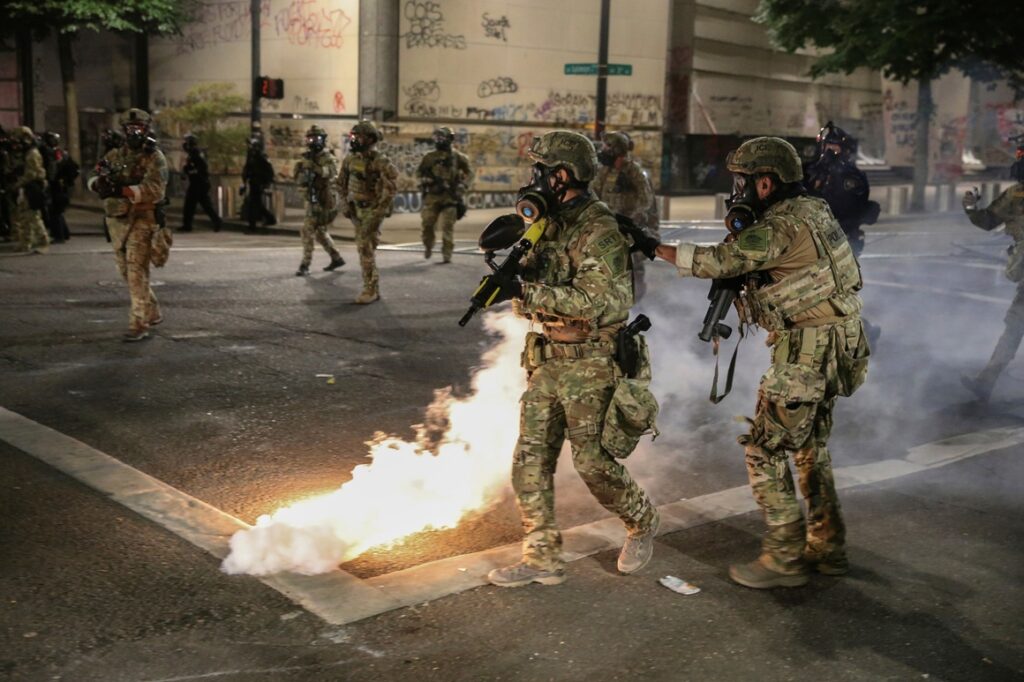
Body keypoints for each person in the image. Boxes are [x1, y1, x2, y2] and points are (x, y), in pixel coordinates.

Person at [654, 137, 869, 589]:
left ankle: (785, 556)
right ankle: (828, 547)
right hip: (840, 344)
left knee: (764, 448)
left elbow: (719, 261)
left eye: (742, 181)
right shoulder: (813, 209)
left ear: (766, 183)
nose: (738, 189)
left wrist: (651, 245)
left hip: (806, 351)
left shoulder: (779, 228)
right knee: (810, 448)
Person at [485, 131, 660, 588]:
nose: (533, 178)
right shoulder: (550, 222)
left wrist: (526, 289)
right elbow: (535, 294)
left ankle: (642, 522)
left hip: (592, 361)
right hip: (549, 360)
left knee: (594, 464)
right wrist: (509, 272)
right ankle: (541, 556)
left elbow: (595, 300)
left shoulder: (599, 228)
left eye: (540, 170)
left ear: (561, 175)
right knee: (530, 459)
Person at [86, 108, 169, 342]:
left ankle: (138, 322)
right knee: (126, 271)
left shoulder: (155, 157)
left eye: (139, 128)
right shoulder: (115, 155)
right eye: (129, 128)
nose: (134, 132)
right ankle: (151, 310)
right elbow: (94, 173)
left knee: (135, 271)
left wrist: (121, 190)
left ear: (146, 129)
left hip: (143, 218)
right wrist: (97, 184)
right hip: (117, 221)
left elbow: (155, 190)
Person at [960, 143, 1024, 402]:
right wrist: (971, 208)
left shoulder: (1016, 194)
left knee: (1014, 328)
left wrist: (971, 208)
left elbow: (987, 220)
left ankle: (986, 382)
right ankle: (986, 381)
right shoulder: (1015, 195)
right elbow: (988, 220)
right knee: (1014, 327)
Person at [336, 120, 398, 304]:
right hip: (356, 210)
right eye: (352, 136)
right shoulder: (350, 160)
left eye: (358, 137)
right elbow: (340, 184)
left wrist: (379, 211)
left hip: (372, 209)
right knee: (367, 247)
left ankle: (370, 289)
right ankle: (373, 288)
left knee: (364, 247)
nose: (353, 140)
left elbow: (391, 186)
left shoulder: (380, 161)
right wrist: (344, 205)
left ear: (369, 139)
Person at [592, 131, 656, 299]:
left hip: (629, 229)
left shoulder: (634, 171)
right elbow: (595, 194)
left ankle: (636, 303)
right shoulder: (604, 170)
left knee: (633, 269)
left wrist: (629, 214)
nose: (603, 150)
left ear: (617, 149)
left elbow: (646, 201)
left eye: (608, 146)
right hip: (608, 227)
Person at [803, 121, 878, 257]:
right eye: (828, 147)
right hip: (812, 230)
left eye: (835, 148)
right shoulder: (810, 170)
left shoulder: (852, 175)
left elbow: (853, 204)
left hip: (841, 230)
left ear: (844, 150)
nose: (830, 152)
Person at [292, 125, 345, 278]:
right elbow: (298, 178)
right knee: (320, 232)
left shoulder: (328, 158)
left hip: (324, 200)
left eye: (317, 138)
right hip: (311, 199)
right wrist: (301, 170)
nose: (314, 141)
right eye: (311, 138)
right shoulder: (306, 158)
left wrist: (314, 168)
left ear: (323, 140)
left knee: (307, 230)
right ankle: (336, 258)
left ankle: (305, 264)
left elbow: (330, 173)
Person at [416, 126, 472, 263]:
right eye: (437, 138)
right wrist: (425, 181)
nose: (439, 140)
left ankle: (447, 254)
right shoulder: (429, 157)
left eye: (442, 138)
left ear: (449, 139)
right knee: (427, 224)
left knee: (448, 226)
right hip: (432, 196)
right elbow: (419, 173)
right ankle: (428, 245)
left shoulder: (457, 157)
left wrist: (462, 186)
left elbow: (470, 173)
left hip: (450, 197)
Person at [8, 126, 50, 254]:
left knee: (32, 216)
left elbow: (31, 174)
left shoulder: (32, 153)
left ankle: (41, 241)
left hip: (32, 187)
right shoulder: (27, 153)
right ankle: (27, 242)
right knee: (26, 216)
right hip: (29, 187)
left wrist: (17, 184)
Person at [40, 131, 78, 243]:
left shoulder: (55, 154)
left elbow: (53, 171)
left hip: (58, 185)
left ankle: (59, 236)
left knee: (55, 211)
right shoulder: (60, 152)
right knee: (57, 211)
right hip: (61, 185)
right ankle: (64, 233)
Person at [180, 133, 222, 233]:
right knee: (195, 205)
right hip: (196, 182)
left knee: (198, 205)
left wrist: (190, 171)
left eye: (187, 142)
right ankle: (188, 225)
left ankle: (217, 221)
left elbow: (201, 168)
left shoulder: (196, 153)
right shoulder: (192, 153)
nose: (185, 145)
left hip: (200, 183)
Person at [241, 133, 277, 232]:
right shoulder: (251, 157)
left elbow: (269, 171)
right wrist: (244, 182)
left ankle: (252, 226)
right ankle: (270, 219)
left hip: (259, 183)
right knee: (256, 204)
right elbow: (247, 170)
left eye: (252, 146)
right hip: (253, 182)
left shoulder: (262, 157)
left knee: (253, 204)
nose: (251, 148)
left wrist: (266, 183)